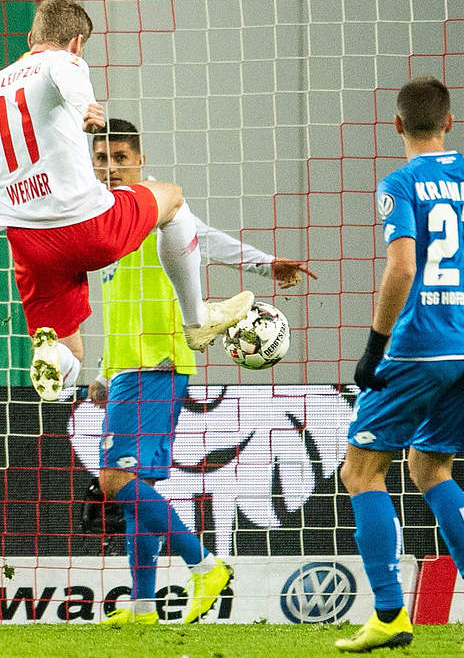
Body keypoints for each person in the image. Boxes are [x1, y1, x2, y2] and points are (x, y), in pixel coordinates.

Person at [0, 0, 253, 402]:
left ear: (30, 37)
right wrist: (88, 113)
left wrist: (16, 180)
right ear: (76, 42)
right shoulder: (62, 61)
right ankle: (198, 319)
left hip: (28, 242)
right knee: (173, 200)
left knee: (69, 349)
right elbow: (72, 81)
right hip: (87, 227)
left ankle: (53, 363)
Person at [335, 77, 464, 652]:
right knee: (431, 471)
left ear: (398, 125)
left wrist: (375, 346)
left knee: (361, 472)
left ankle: (388, 614)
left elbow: (402, 268)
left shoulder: (400, 182)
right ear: (450, 122)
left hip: (419, 347)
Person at [88, 118, 316, 625]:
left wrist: (264, 263)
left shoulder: (154, 203)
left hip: (160, 358)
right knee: (134, 485)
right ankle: (144, 606)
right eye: (101, 159)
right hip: (129, 364)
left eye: (120, 158)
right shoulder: (100, 219)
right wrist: (104, 368)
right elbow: (120, 302)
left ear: (140, 160)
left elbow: (203, 238)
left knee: (115, 479)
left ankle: (205, 565)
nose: (110, 169)